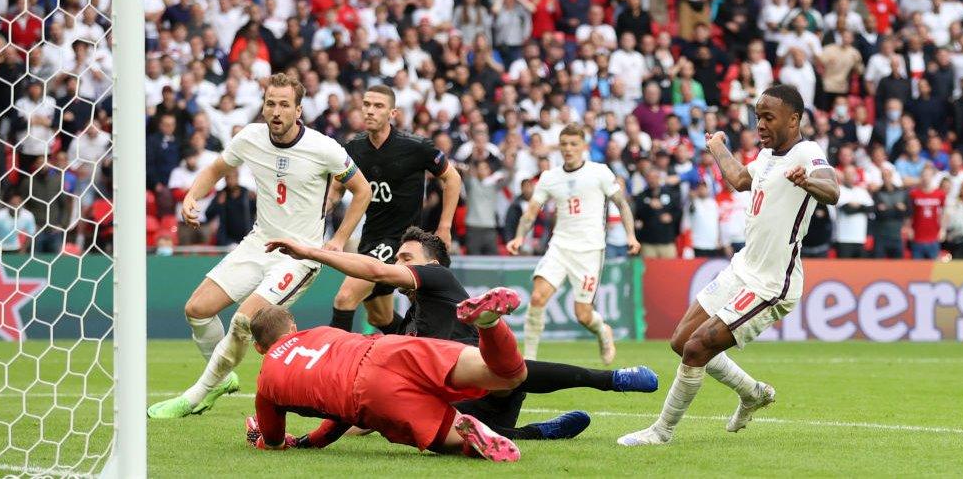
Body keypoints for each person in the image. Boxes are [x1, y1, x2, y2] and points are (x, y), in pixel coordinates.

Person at [259, 227, 658, 444]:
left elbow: (377, 273)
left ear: (429, 262)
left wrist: (311, 252)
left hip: (487, 375)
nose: (399, 263)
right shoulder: (410, 321)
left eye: (406, 257)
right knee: (433, 431)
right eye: (399, 257)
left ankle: (612, 379)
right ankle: (536, 434)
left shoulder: (437, 277)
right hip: (465, 398)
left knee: (503, 372)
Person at [618, 85, 839, 446]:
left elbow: (832, 190)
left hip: (770, 283)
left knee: (696, 349)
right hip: (742, 268)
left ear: (794, 119)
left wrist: (809, 181)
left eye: (769, 117)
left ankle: (662, 432)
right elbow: (739, 179)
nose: (761, 125)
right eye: (758, 117)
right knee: (681, 342)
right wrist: (717, 146)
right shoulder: (768, 156)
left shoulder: (808, 152)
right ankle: (752, 392)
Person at [146, 74, 372, 419]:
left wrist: (338, 240)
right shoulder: (250, 138)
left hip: (298, 257)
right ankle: (220, 378)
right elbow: (216, 169)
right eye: (270, 103)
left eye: (284, 105)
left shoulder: (324, 148)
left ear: (299, 111)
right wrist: (192, 196)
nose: (276, 111)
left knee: (242, 321)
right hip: (258, 244)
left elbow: (363, 191)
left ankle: (196, 395)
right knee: (197, 309)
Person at [244, 292, 527, 461]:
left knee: (450, 440)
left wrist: (280, 439)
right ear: (293, 328)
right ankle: (489, 324)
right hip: (389, 348)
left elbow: (274, 443)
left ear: (258, 347)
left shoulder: (266, 383)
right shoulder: (319, 332)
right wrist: (316, 440)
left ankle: (466, 435)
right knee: (508, 376)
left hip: (369, 391)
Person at [327, 85, 462, 333]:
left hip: (401, 241)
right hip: (371, 239)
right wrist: (324, 208)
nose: (369, 111)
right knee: (380, 317)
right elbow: (337, 188)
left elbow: (452, 179)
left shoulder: (416, 146)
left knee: (345, 298)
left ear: (392, 113)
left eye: (378, 106)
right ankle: (415, 353)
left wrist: (444, 227)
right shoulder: (354, 148)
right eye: (366, 104)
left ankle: (332, 366)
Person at [506, 123, 641, 363]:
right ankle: (529, 360)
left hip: (589, 250)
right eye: (564, 144)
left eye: (574, 144)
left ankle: (603, 331)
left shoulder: (599, 172)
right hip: (559, 247)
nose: (568, 149)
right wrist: (519, 236)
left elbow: (621, 204)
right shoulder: (549, 178)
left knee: (583, 315)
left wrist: (630, 235)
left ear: (584, 147)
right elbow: (531, 212)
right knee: (537, 297)